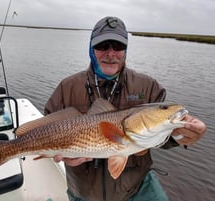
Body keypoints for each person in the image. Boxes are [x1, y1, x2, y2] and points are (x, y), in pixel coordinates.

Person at [44, 16, 206, 201]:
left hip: (137, 187)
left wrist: (181, 135)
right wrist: (65, 154)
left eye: (118, 46)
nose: (111, 53)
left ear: (126, 50)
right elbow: (48, 125)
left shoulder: (148, 86)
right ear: (91, 48)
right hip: (84, 190)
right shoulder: (68, 87)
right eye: (103, 45)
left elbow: (162, 136)